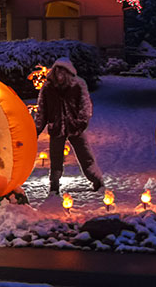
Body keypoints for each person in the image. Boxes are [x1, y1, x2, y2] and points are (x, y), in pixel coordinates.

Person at [33, 57, 104, 194]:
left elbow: (85, 106)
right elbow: (42, 111)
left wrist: (81, 122)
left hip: (75, 127)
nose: (60, 75)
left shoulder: (78, 85)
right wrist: (36, 130)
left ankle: (97, 180)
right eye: (57, 72)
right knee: (55, 157)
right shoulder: (48, 88)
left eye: (63, 72)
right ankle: (54, 185)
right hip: (56, 127)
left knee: (85, 155)